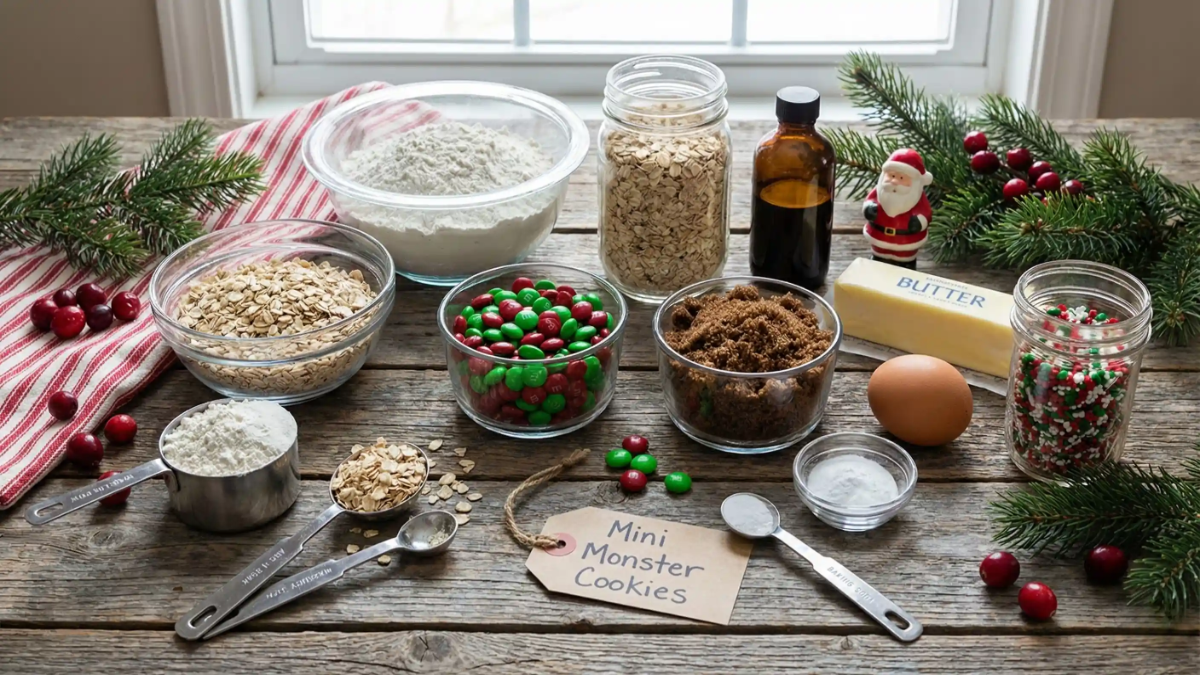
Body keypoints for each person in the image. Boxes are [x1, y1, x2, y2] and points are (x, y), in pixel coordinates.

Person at [862, 148, 933, 269]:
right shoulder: (880, 191)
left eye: (901, 178)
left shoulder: (917, 197)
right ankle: (878, 258)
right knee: (879, 252)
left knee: (905, 255)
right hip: (879, 235)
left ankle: (906, 262)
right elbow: (870, 200)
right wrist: (869, 208)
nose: (894, 181)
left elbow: (926, 212)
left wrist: (919, 222)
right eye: (892, 176)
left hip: (906, 239)